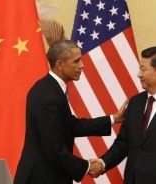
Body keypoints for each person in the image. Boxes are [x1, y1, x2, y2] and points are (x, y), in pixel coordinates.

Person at [14, 39, 127, 184]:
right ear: (60, 64)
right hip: (42, 178)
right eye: (76, 61)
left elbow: (70, 125)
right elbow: (54, 152)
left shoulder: (48, 87)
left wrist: (114, 118)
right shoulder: (49, 96)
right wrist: (87, 166)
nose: (82, 65)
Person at [90, 46, 156, 184]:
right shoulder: (136, 102)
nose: (139, 74)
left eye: (143, 69)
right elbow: (124, 142)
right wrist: (103, 163)